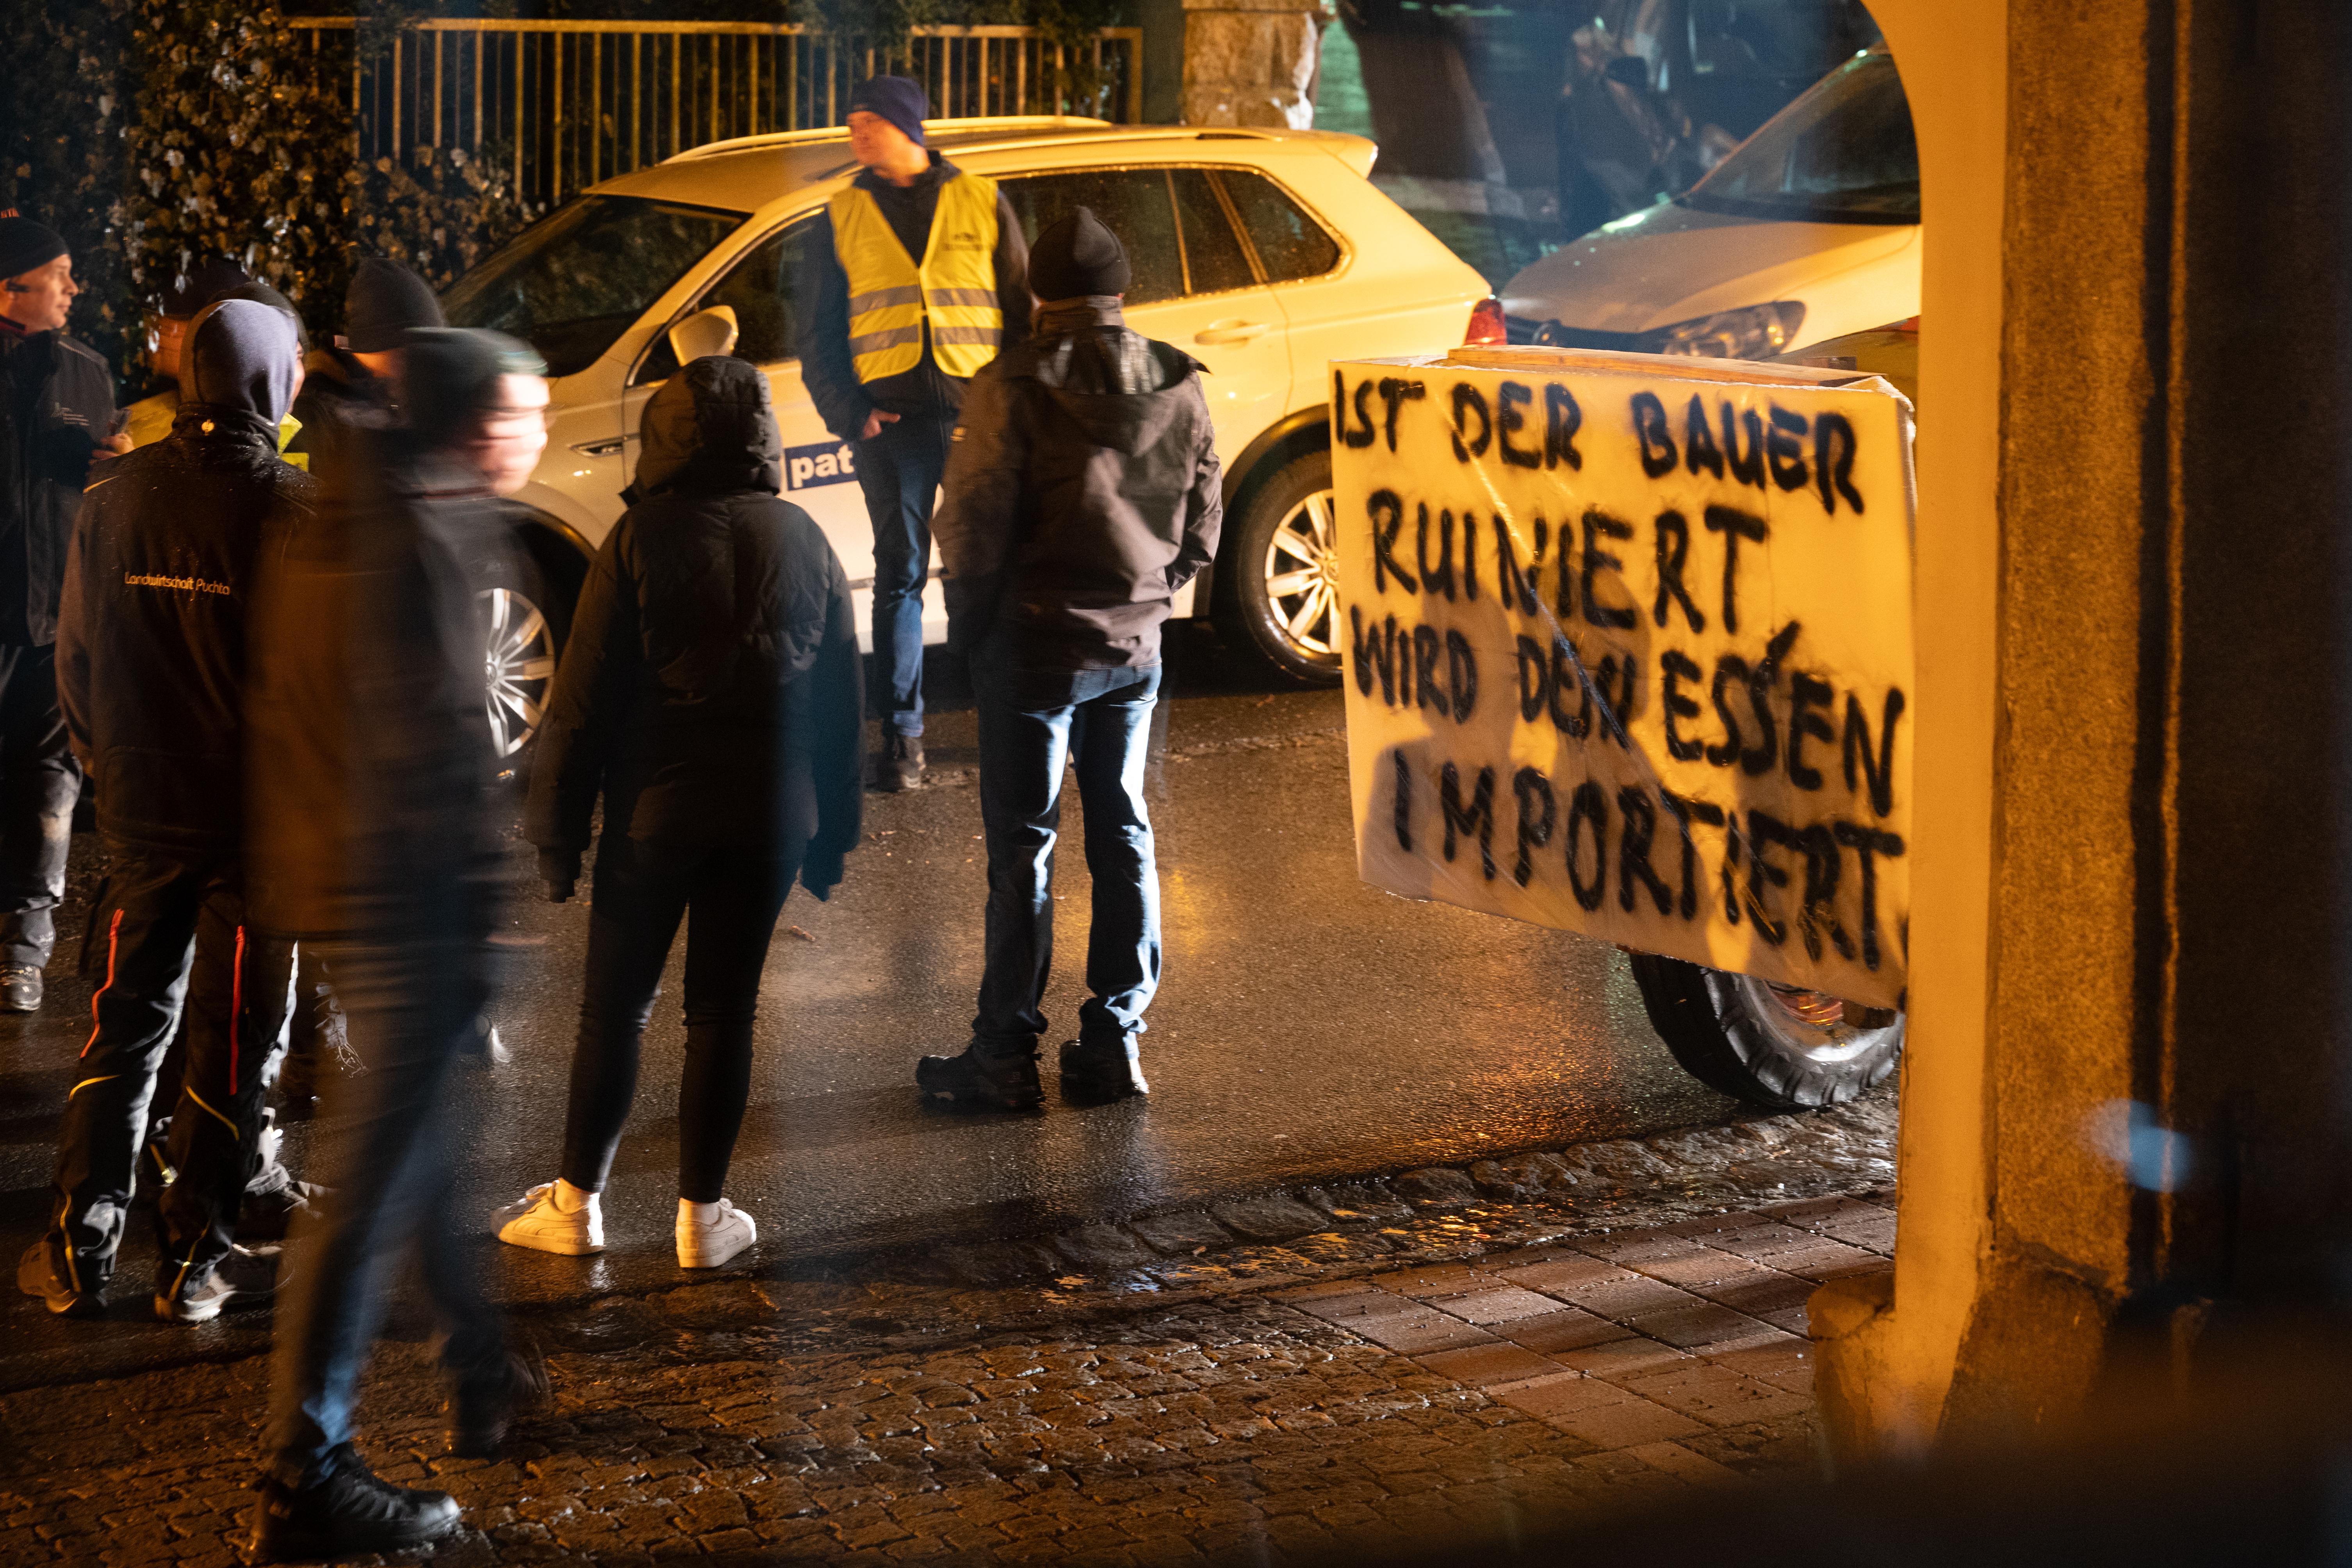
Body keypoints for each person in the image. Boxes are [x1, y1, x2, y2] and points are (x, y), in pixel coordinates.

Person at [244, 328, 549, 1562]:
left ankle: (483, 1365)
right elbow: (428, 750)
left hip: (347, 885)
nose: (538, 430)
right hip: (406, 904)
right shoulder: (415, 537)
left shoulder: (342, 514)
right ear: (479, 429)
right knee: (369, 1191)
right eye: (524, 411)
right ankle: (304, 1473)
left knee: (413, 1156)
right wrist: (480, 904)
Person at [497, 355, 862, 1269]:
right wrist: (834, 833)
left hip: (652, 818)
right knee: (723, 1013)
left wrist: (556, 836)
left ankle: (575, 1202)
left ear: (662, 434)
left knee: (614, 1012)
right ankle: (704, 1217)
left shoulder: (635, 539)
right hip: (771, 817)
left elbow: (579, 702)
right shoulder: (804, 537)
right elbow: (840, 704)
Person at [18, 299, 311, 1322]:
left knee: (123, 1028)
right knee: (232, 1048)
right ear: (274, 382)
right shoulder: (296, 509)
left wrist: (110, 772)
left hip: (143, 816)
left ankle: (76, 1247)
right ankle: (194, 1264)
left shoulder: (118, 495)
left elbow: (77, 657)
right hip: (254, 834)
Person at [916, 208, 1222, 1109]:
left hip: (1032, 647)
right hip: (1131, 645)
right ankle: (1113, 1042)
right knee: (1124, 830)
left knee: (1022, 845)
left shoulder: (1009, 384)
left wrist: (974, 633)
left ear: (1037, 294)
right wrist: (1153, 596)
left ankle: (1004, 1053)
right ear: (1119, 289)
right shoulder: (1178, 378)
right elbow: (1203, 516)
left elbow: (969, 525)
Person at [797, 75, 1032, 793]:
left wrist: (1014, 410)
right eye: (850, 124)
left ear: (909, 128)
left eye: (867, 121)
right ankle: (903, 741)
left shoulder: (980, 199)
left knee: (988, 572)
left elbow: (1019, 315)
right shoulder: (837, 215)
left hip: (976, 421)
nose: (855, 134)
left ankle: (1011, 722)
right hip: (890, 426)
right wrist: (849, 413)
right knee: (898, 576)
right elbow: (817, 332)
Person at [0, 212, 124, 1014]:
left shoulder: (87, 371)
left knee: (51, 788)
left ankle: (23, 954)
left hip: (56, 620)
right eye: (60, 275)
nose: (74, 288)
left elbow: (106, 488)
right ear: (10, 287)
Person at [285, 257, 444, 489]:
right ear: (388, 343)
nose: (425, 362)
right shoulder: (317, 415)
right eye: (417, 349)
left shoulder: (391, 390)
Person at [120, 258, 251, 449]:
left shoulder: (229, 423)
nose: (157, 340)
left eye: (170, 328)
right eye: (156, 325)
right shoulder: (143, 417)